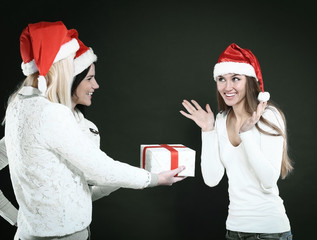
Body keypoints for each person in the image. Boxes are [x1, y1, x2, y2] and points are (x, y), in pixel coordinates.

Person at [4, 21, 185, 240]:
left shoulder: (18, 105)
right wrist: (154, 178)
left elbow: (82, 190)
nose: (95, 85)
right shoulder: (50, 114)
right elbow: (99, 169)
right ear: (62, 68)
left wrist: (17, 219)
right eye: (72, 65)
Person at [180, 43, 293, 240]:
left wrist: (246, 134)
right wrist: (208, 131)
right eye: (221, 79)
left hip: (269, 231)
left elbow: (268, 181)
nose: (227, 87)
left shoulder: (269, 116)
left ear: (249, 81)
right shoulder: (222, 119)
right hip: (234, 230)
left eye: (236, 79)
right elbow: (212, 179)